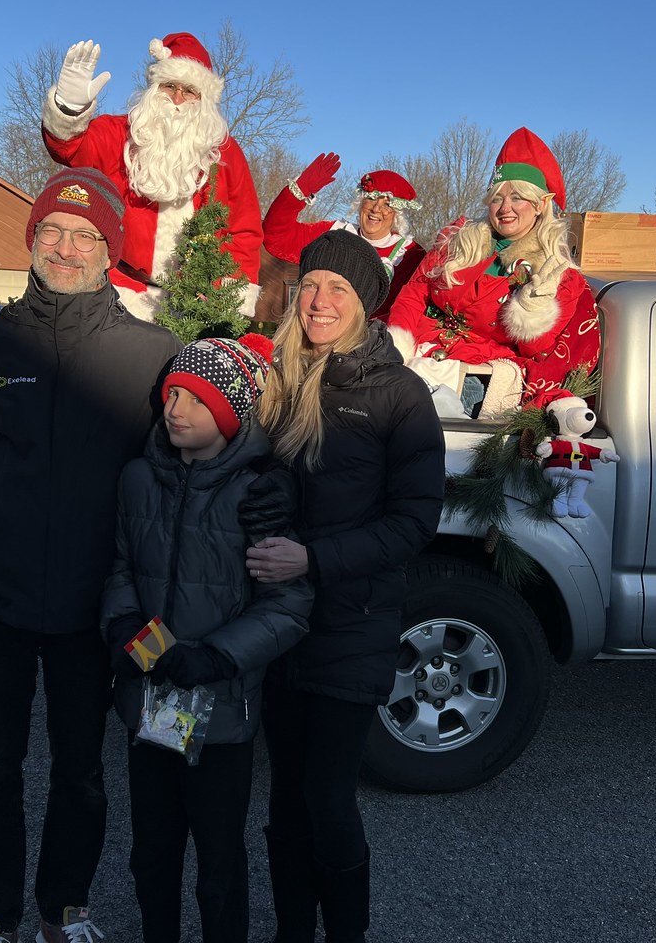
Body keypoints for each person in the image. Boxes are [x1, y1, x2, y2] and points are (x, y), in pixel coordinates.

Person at [0, 167, 183, 943]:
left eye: (86, 235)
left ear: (110, 251)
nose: (66, 248)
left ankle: (67, 902)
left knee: (82, 772)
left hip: (92, 616)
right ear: (33, 241)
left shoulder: (149, 355)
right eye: (53, 233)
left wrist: (163, 614)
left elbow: (179, 485)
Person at [244, 230, 445, 943]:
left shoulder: (399, 395)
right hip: (277, 626)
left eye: (339, 290)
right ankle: (293, 932)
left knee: (328, 797)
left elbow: (415, 521)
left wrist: (313, 558)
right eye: (310, 285)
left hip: (349, 625)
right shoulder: (280, 376)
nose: (319, 301)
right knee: (286, 801)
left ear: (366, 305)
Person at [100, 335, 313, 943]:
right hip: (150, 703)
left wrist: (217, 655)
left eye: (195, 399)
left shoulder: (256, 496)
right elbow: (121, 568)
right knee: (152, 852)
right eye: (171, 395)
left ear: (228, 413)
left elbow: (290, 604)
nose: (175, 410)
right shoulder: (139, 479)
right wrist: (123, 630)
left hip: (221, 713)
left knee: (219, 859)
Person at [42, 33, 263, 321]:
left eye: (189, 91)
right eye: (169, 86)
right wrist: (68, 108)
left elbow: (242, 229)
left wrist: (232, 302)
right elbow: (72, 150)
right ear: (154, 88)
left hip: (196, 301)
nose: (177, 99)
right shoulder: (123, 133)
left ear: (204, 99)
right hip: (120, 292)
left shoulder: (224, 153)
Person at [386, 127, 600, 413]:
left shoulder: (556, 273)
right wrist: (397, 344)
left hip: (474, 380)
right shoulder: (458, 240)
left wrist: (531, 313)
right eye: (498, 198)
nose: (505, 208)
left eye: (517, 197)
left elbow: (539, 352)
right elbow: (415, 292)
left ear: (540, 205)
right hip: (415, 357)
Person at [262, 155, 426, 322]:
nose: (376, 209)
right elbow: (276, 238)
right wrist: (300, 191)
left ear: (397, 214)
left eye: (387, 205)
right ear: (361, 202)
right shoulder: (333, 234)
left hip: (375, 343)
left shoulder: (411, 256)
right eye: (371, 199)